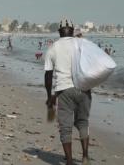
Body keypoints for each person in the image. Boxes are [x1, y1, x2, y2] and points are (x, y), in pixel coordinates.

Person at [44, 19, 91, 165]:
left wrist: (50, 97)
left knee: (65, 127)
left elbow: (48, 75)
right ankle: (85, 156)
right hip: (83, 89)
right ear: (72, 30)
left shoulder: (53, 48)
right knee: (83, 122)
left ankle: (69, 161)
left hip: (64, 91)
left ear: (59, 32)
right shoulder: (80, 44)